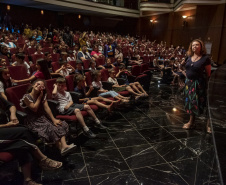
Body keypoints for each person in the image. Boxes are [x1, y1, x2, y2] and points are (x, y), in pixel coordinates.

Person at [0, 95, 62, 185]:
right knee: (24, 131)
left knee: (23, 145)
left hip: (6, 131)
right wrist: (7, 126)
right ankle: (43, 159)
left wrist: (13, 115)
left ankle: (28, 180)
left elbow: (11, 105)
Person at [20, 79, 76, 156]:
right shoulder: (26, 97)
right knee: (50, 128)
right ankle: (60, 148)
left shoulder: (43, 96)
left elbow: (47, 108)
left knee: (60, 123)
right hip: (33, 121)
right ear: (33, 85)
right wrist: (40, 97)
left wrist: (54, 120)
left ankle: (64, 145)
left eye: (42, 86)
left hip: (43, 117)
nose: (39, 86)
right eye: (38, 84)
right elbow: (34, 108)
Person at [181, 39, 211, 133]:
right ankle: (191, 122)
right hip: (189, 84)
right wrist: (186, 75)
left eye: (197, 45)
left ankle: (208, 125)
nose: (195, 46)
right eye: (193, 45)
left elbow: (208, 74)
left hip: (199, 84)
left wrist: (207, 87)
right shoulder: (188, 57)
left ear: (201, 46)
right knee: (190, 103)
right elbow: (182, 66)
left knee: (202, 104)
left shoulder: (205, 58)